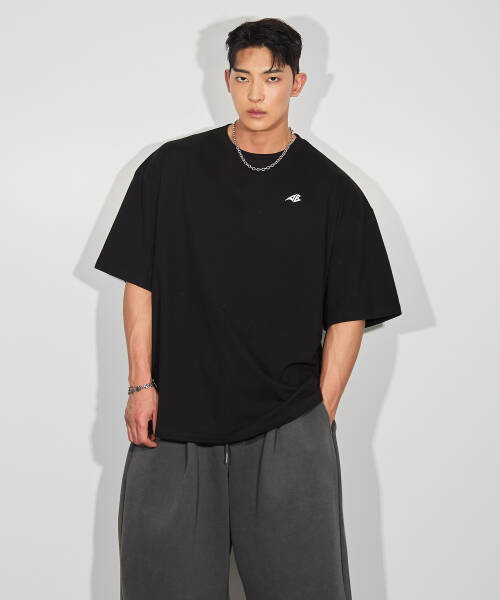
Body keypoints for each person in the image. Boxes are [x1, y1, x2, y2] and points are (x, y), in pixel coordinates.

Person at [94, 17, 402, 600]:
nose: (257, 93)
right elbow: (140, 280)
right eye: (244, 77)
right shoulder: (171, 169)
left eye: (272, 78)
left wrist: (318, 414)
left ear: (298, 83)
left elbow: (350, 311)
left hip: (287, 425)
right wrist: (140, 384)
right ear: (227, 80)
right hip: (173, 425)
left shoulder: (333, 191)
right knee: (162, 587)